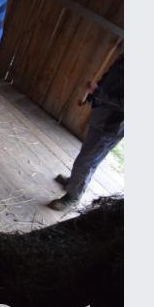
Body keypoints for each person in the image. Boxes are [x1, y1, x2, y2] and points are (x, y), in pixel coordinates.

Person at [49, 55, 124, 211]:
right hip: (102, 113)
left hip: (112, 124)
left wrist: (99, 93)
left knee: (87, 160)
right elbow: (110, 76)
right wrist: (94, 94)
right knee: (87, 156)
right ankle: (74, 182)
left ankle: (73, 197)